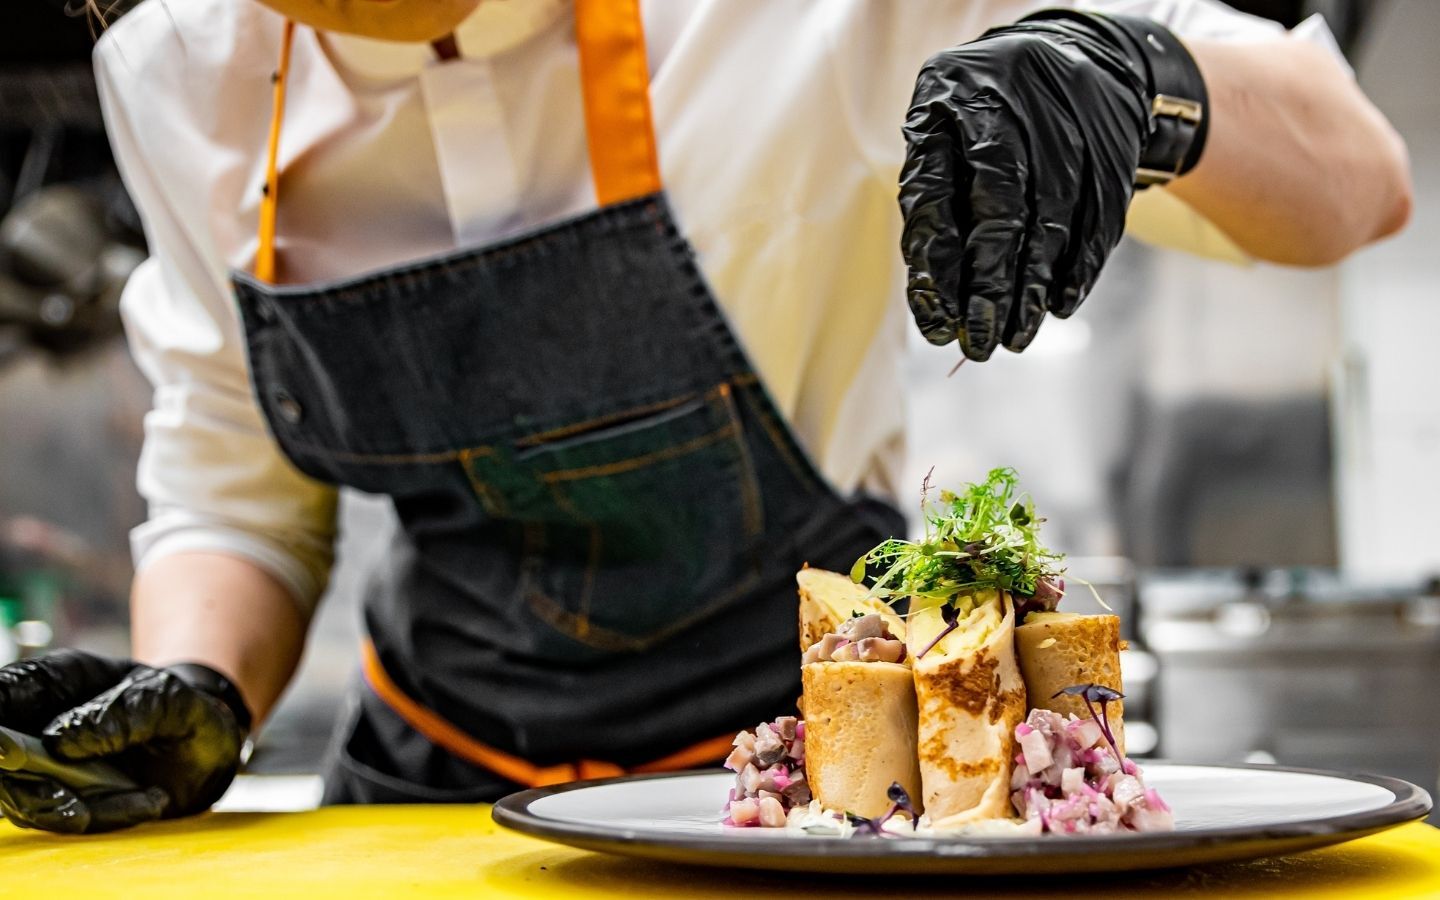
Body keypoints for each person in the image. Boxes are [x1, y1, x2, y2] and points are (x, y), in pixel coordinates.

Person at [0, 0, 1409, 833]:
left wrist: (1138, 79)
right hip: (433, 816)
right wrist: (200, 691)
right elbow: (234, 488)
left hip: (816, 810)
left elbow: (1359, 179)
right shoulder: (178, 60)